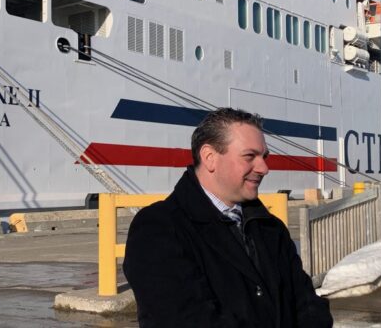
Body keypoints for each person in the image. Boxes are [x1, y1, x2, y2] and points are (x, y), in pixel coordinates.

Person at [123, 107, 333, 328]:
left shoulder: (271, 228)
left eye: (264, 157)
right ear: (210, 158)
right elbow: (185, 319)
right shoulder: (158, 229)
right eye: (250, 156)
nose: (264, 168)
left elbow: (308, 305)